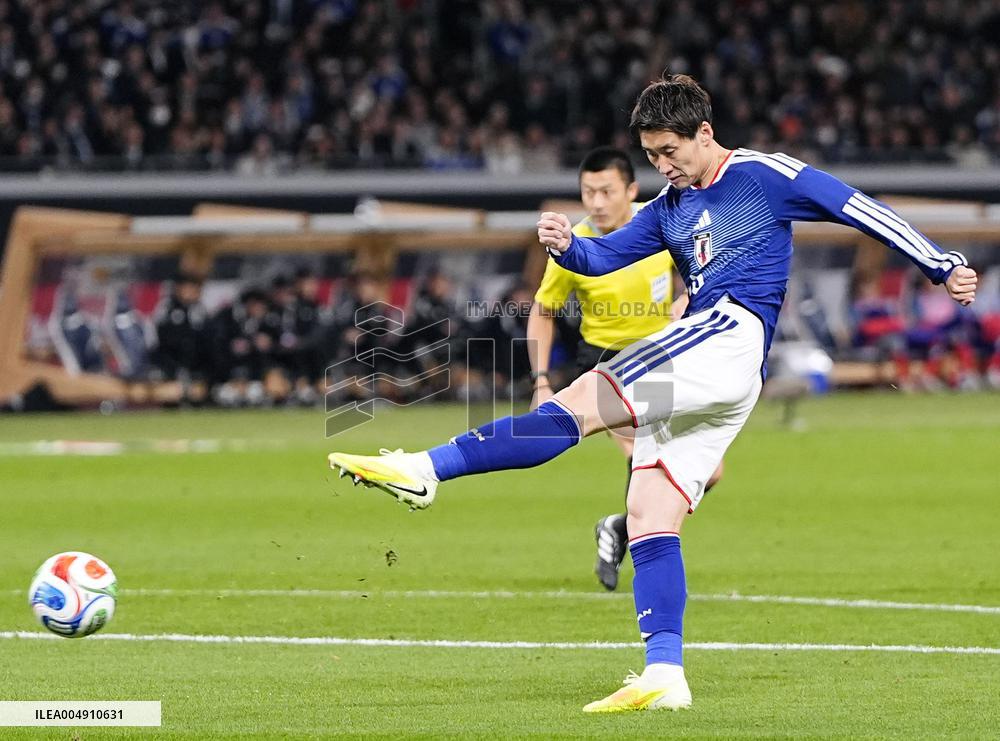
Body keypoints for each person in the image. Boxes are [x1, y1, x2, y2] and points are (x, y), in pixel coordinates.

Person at [328, 74, 977, 713]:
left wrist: (940, 263)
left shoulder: (763, 174)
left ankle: (425, 468)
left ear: (705, 132)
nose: (663, 166)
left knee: (582, 399)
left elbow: (856, 207)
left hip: (727, 332)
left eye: (671, 151)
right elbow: (605, 259)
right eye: (652, 156)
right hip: (726, 378)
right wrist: (567, 246)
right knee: (649, 513)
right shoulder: (669, 208)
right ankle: (666, 671)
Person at [527, 145, 724, 591]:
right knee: (644, 458)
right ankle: (647, 547)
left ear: (631, 191)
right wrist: (541, 382)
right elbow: (542, 312)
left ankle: (620, 528)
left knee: (710, 472)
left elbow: (702, 273)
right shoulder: (573, 244)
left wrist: (685, 301)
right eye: (587, 192)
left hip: (667, 356)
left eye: (606, 191)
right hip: (608, 362)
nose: (595, 203)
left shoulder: (661, 221)